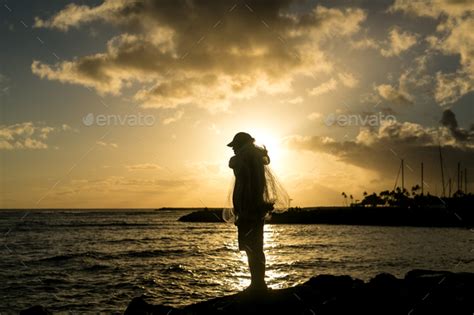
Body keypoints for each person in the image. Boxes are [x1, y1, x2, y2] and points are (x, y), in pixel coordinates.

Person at [227, 132, 274, 293]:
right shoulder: (252, 156)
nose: (233, 149)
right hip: (252, 208)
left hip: (250, 209)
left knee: (252, 247)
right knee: (254, 247)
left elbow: (233, 163)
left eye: (234, 146)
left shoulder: (246, 156)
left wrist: (246, 208)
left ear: (241, 144)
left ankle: (258, 284)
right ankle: (258, 283)